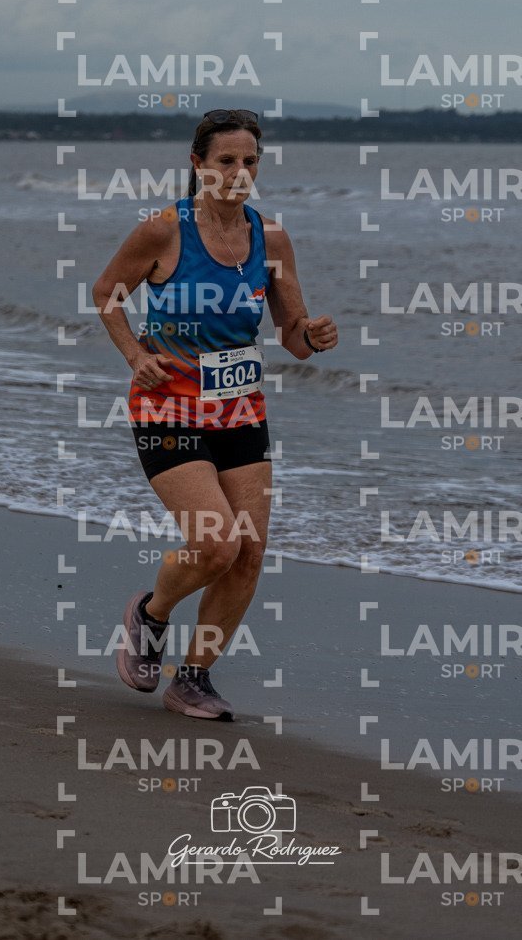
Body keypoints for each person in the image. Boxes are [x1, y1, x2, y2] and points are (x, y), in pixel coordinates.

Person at [91, 107, 338, 719]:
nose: (239, 172)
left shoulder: (270, 239)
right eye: (226, 160)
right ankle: (151, 614)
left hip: (240, 411)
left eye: (250, 161)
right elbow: (106, 294)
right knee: (217, 543)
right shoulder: (162, 231)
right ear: (197, 164)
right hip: (168, 408)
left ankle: (193, 679)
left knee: (248, 552)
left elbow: (292, 335)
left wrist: (314, 336)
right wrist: (134, 356)